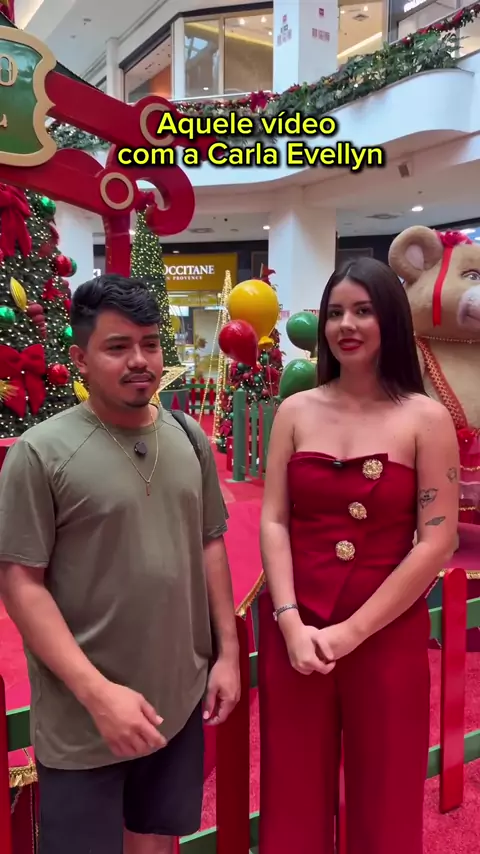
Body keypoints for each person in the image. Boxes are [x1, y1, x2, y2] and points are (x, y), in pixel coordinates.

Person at [0, 274, 240, 854]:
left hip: (177, 696)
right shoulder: (41, 452)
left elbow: (210, 543)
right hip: (85, 716)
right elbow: (21, 583)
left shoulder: (189, 437)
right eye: (117, 346)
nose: (139, 360)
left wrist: (228, 654)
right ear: (81, 359)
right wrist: (98, 694)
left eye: (150, 344)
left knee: (155, 839)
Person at [258, 257, 459, 854]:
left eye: (363, 311)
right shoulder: (295, 411)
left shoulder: (426, 418)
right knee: (291, 788)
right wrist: (289, 621)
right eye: (336, 312)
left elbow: (437, 540)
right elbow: (273, 518)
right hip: (296, 627)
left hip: (386, 629)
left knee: (387, 790)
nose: (346, 325)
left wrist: (352, 632)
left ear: (390, 320)